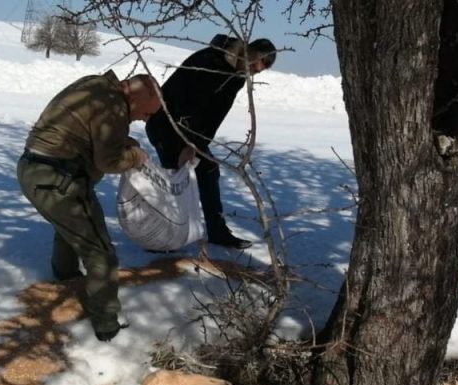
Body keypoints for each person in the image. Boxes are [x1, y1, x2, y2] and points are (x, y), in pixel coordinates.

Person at [17, 71, 161, 342]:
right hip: (56, 179)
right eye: (147, 113)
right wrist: (135, 156)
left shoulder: (96, 84)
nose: (145, 119)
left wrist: (123, 142)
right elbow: (108, 161)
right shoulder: (114, 107)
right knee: (101, 252)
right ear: (134, 98)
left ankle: (66, 277)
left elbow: (91, 134)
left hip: (35, 171)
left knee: (72, 228)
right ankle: (107, 325)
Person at [145, 35, 277, 249]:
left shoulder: (237, 77)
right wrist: (188, 145)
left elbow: (215, 114)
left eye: (256, 72)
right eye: (252, 66)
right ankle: (159, 237)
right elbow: (184, 104)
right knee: (174, 179)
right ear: (248, 52)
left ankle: (217, 231)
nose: (250, 72)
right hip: (166, 125)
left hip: (191, 133)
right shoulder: (209, 61)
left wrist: (196, 144)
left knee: (208, 170)